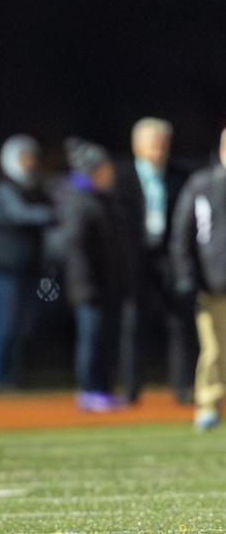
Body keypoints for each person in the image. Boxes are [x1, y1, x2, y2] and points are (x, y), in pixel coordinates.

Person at [114, 117, 192, 405]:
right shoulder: (121, 177)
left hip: (169, 257)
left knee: (181, 322)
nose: (159, 147)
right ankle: (132, 388)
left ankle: (182, 387)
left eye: (163, 141)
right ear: (137, 146)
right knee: (133, 322)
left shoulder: (180, 176)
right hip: (136, 259)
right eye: (152, 141)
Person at [57, 137, 131, 412]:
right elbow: (75, 247)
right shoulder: (79, 201)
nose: (109, 173)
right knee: (92, 339)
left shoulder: (98, 199)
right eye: (104, 168)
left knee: (104, 338)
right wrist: (86, 283)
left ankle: (102, 388)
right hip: (90, 286)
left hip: (104, 283)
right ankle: (90, 390)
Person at [0, 135, 53, 388]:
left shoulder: (34, 188)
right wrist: (52, 214)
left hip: (25, 269)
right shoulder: (5, 188)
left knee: (23, 327)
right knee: (3, 326)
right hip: (3, 271)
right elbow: (19, 215)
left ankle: (10, 373)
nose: (30, 163)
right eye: (24, 157)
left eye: (32, 157)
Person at [171, 128, 226, 431]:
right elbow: (182, 234)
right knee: (215, 347)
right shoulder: (203, 184)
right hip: (214, 280)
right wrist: (186, 275)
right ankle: (208, 404)